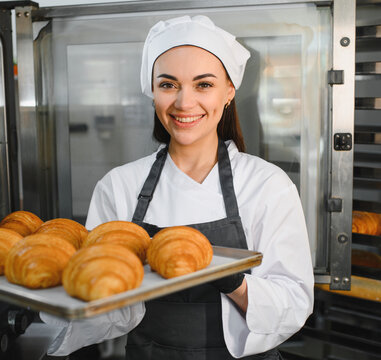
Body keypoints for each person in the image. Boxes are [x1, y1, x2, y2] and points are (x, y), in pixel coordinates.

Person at [42, 14, 314, 359]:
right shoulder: (119, 186)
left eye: (204, 84)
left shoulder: (266, 185)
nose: (184, 103)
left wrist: (234, 281)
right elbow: (108, 312)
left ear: (229, 92)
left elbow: (294, 302)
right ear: (152, 92)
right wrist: (52, 294)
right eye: (168, 85)